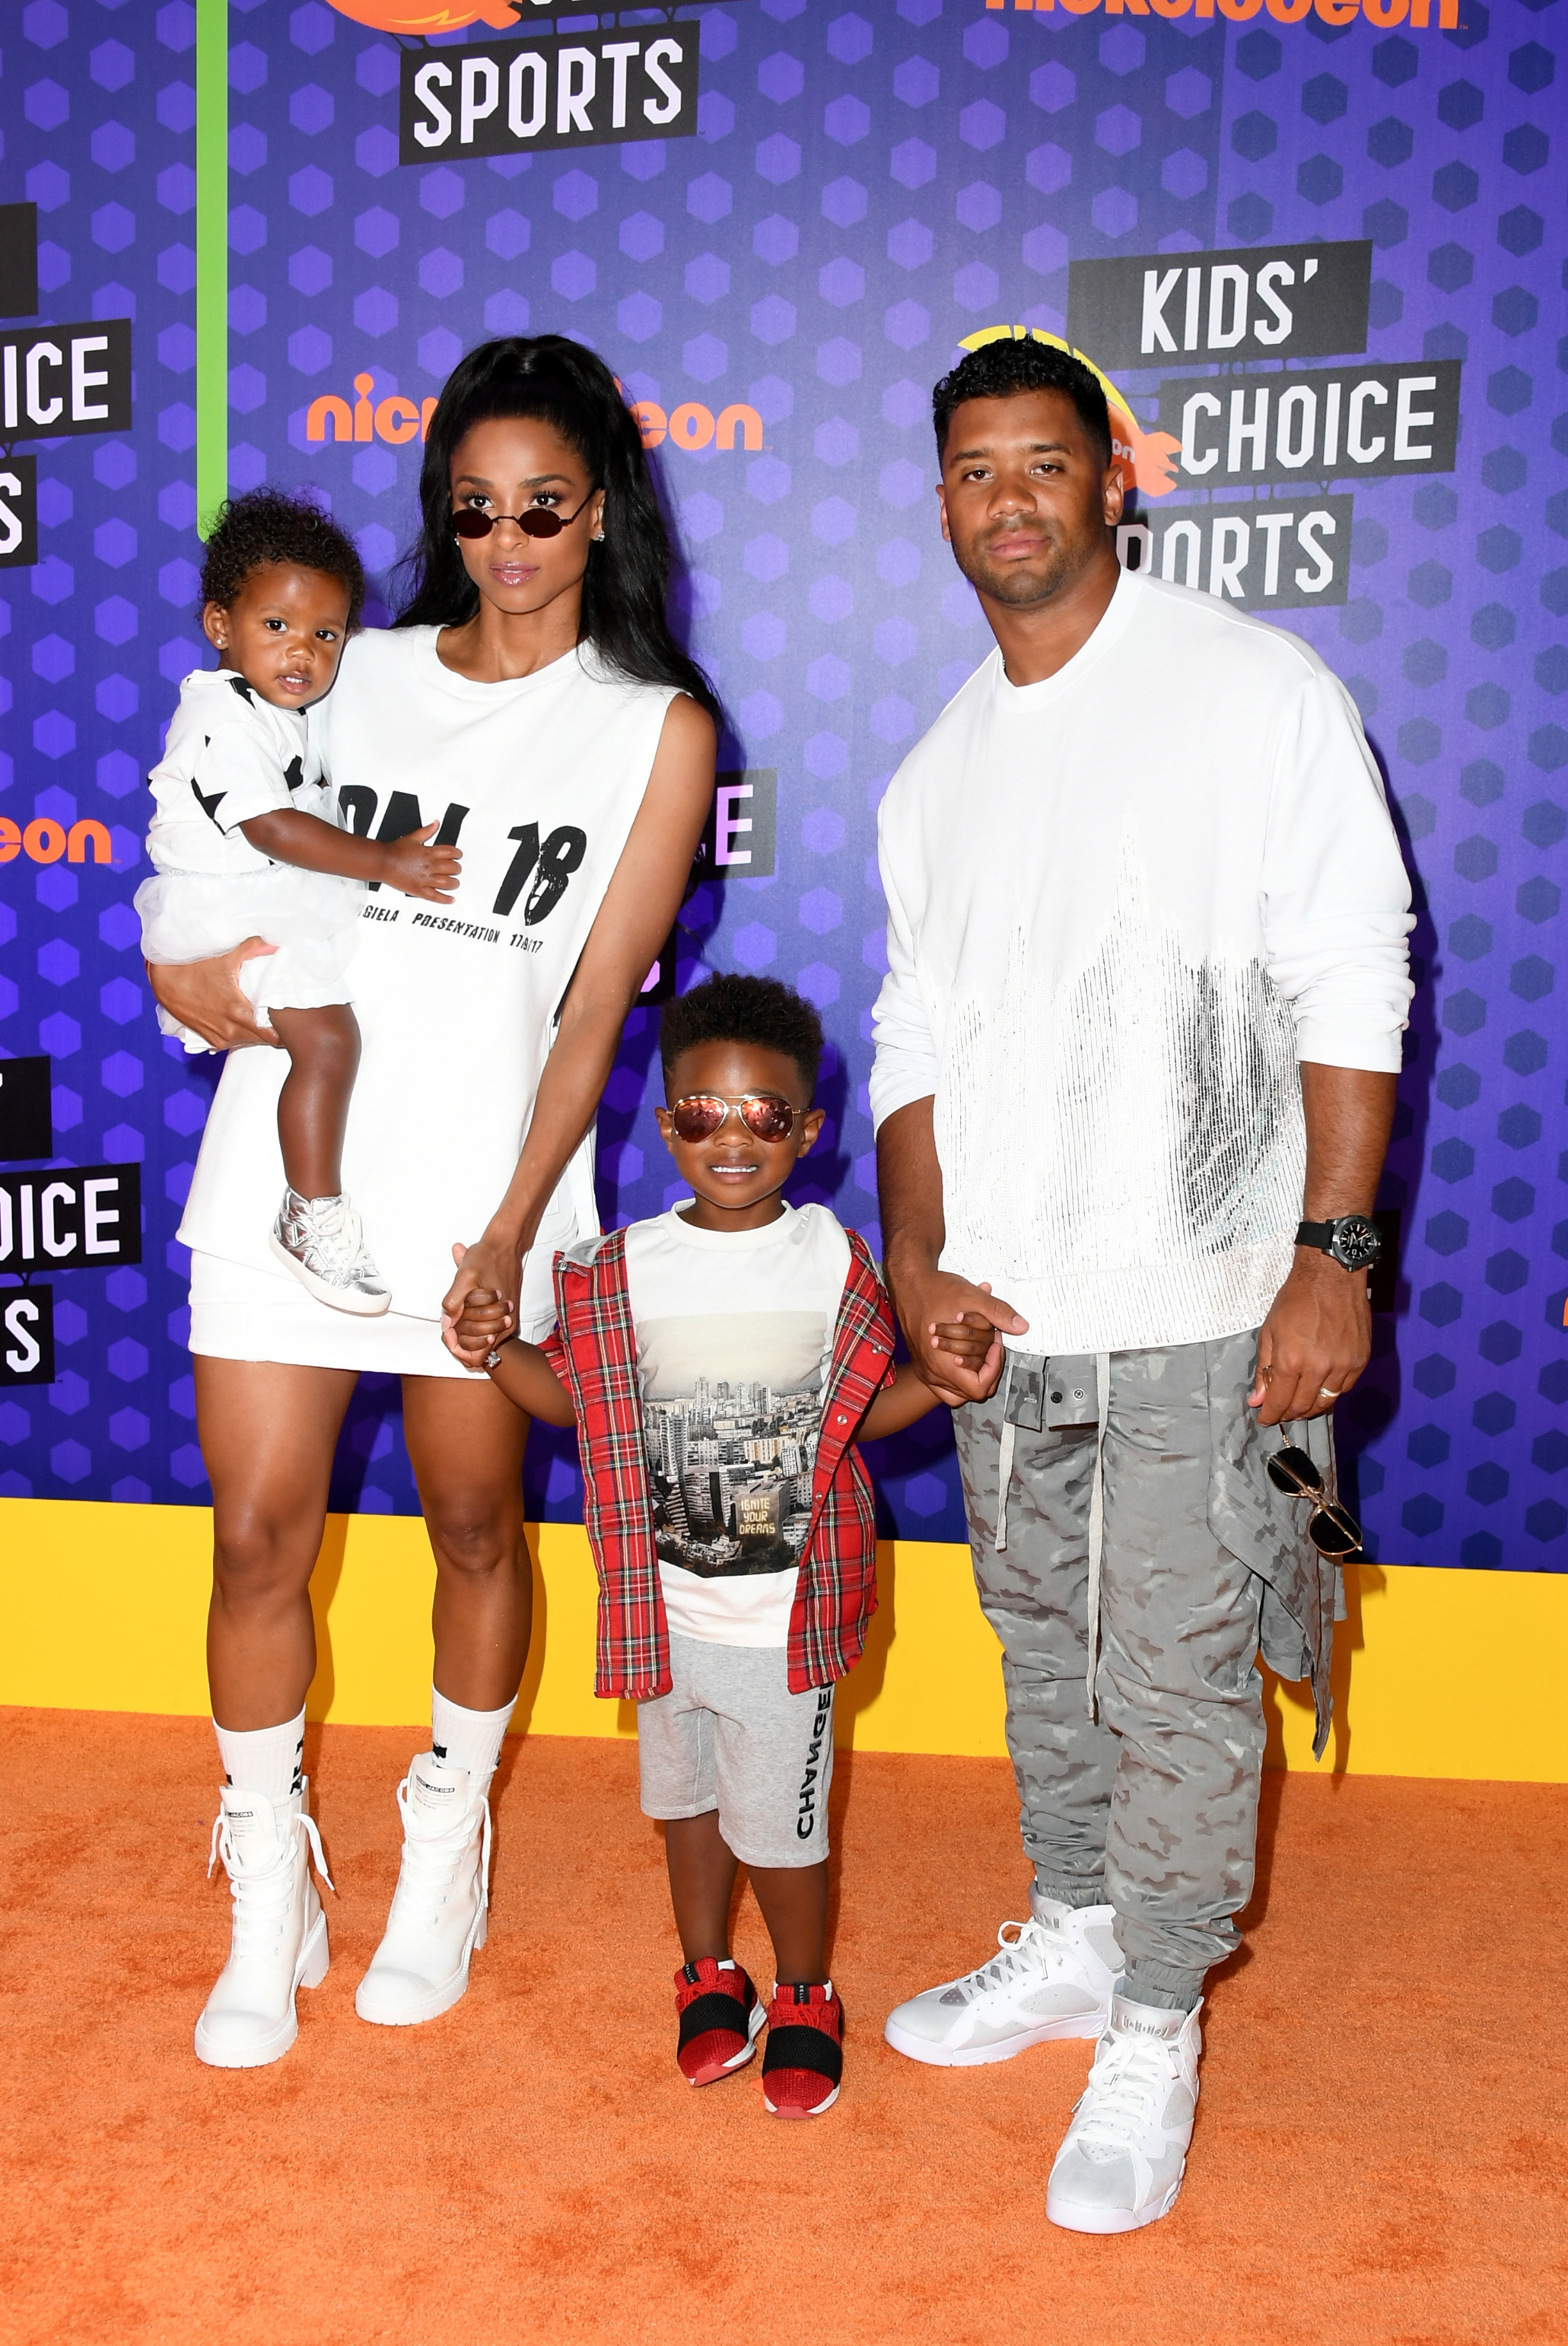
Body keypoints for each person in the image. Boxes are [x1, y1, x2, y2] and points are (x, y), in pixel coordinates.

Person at [869, 337, 1412, 2231]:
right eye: (973, 470)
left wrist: (1330, 1254)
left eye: (1042, 462)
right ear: (940, 500)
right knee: (1046, 1654)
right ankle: (1082, 1932)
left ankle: (1158, 2019)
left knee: (1178, 1681)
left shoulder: (1251, 689)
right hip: (1013, 1321)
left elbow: (1352, 967)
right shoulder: (934, 768)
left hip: (1207, 1298)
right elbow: (913, 1031)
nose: (1007, 499)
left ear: (1113, 478)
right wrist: (917, 1256)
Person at [145, 334, 719, 2071]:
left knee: (475, 1528)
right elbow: (206, 835)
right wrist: (181, 975)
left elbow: (597, 1010)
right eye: (473, 510)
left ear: (601, 507)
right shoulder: (346, 665)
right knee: (257, 1538)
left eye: (543, 506)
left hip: (486, 1191)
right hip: (292, 1172)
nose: (507, 541)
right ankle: (270, 1883)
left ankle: (447, 1840)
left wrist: (515, 1224)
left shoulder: (654, 728)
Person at [455, 975, 996, 2117]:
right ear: (668, 1125)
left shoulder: (836, 1259)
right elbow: (576, 1405)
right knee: (686, 1810)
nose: (732, 1139)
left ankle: (804, 1990)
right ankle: (708, 1974)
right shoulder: (614, 1267)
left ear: (809, 1128)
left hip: (785, 1625)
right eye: (703, 1114)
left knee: (784, 1835)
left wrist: (946, 1382)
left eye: (765, 1115)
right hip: (661, 1615)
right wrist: (495, 1352)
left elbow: (863, 1411)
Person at [137, 489, 462, 1314]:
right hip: (229, 910)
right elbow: (273, 828)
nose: (303, 651)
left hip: (268, 899)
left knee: (337, 1039)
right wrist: (386, 861)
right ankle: (310, 1213)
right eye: (276, 625)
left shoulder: (284, 706)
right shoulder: (218, 715)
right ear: (220, 625)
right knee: (327, 1042)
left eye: (326, 634)